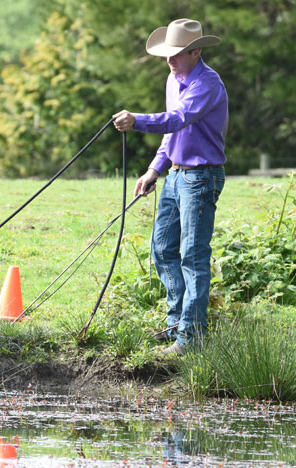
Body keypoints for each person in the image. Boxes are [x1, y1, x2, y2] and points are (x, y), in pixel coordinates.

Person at [113, 18, 228, 355]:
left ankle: (190, 338)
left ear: (196, 50)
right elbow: (172, 134)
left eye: (177, 53)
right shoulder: (173, 78)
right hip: (175, 176)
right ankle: (177, 324)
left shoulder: (207, 83)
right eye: (168, 53)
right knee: (162, 249)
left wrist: (136, 121)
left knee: (193, 257)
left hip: (201, 177)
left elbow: (178, 119)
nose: (170, 59)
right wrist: (154, 169)